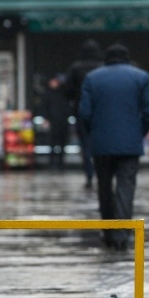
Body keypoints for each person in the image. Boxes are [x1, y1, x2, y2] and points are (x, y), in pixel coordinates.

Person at [78, 43, 149, 251]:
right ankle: (122, 234)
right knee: (126, 188)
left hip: (101, 145)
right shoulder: (141, 77)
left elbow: (84, 113)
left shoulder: (92, 78)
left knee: (104, 188)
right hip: (130, 145)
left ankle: (108, 231)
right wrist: (138, 133)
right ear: (127, 57)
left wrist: (93, 134)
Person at [65, 39, 103, 188]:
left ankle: (89, 174)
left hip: (80, 110)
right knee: (101, 144)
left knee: (85, 144)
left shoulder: (75, 68)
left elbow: (67, 91)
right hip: (100, 111)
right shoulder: (102, 68)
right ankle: (101, 173)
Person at [41, 74, 71, 169]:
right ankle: (52, 161)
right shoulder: (47, 94)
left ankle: (60, 161)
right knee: (52, 142)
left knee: (62, 141)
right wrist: (46, 119)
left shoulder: (63, 93)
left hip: (62, 120)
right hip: (52, 121)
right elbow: (44, 107)